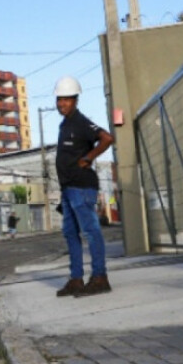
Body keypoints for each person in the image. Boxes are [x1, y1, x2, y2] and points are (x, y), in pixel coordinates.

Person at [53, 76, 115, 298]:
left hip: (82, 187)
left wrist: (88, 158)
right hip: (68, 189)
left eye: (66, 100)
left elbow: (107, 138)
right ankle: (76, 279)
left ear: (75, 100)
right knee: (70, 233)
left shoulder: (80, 122)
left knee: (91, 231)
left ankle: (100, 278)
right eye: (59, 100)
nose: (62, 104)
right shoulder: (65, 125)